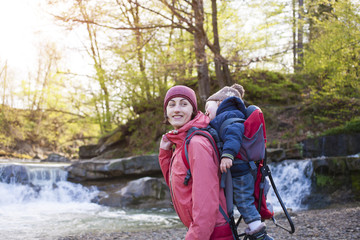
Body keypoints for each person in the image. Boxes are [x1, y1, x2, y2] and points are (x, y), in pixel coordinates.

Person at [159, 85, 233, 240]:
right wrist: (165, 154)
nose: (177, 109)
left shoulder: (196, 143)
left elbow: (206, 202)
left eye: (183, 104)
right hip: (204, 230)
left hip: (214, 232)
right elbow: (176, 185)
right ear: (166, 112)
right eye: (171, 104)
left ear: (193, 110)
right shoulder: (182, 141)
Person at [205, 84, 274, 240]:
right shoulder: (229, 114)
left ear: (219, 102)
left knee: (243, 199)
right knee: (243, 198)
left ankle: (259, 232)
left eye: (207, 107)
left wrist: (228, 154)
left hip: (240, 170)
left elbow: (234, 133)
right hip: (245, 169)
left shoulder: (228, 115)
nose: (206, 112)